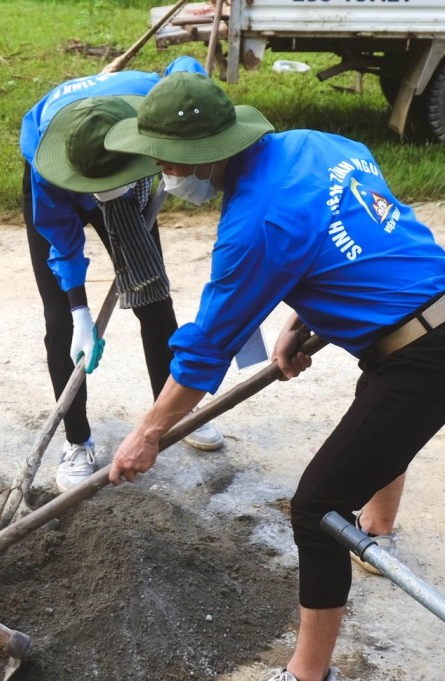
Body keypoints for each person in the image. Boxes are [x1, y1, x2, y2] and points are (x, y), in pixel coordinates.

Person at [101, 71, 445, 681]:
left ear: (201, 158)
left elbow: (207, 348)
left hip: (424, 358)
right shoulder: (318, 145)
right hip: (425, 316)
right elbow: (356, 238)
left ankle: (308, 675)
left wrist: (148, 433)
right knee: (379, 415)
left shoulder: (256, 226)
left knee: (316, 507)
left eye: (164, 159)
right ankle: (380, 529)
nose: (162, 171)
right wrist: (302, 314)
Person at [20, 56, 225, 492]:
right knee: (58, 321)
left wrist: (183, 152)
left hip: (128, 174)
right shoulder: (47, 169)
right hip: (68, 165)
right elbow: (61, 240)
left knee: (154, 299)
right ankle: (77, 441)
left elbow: (186, 70)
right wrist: (79, 310)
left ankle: (173, 412)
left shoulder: (153, 102)